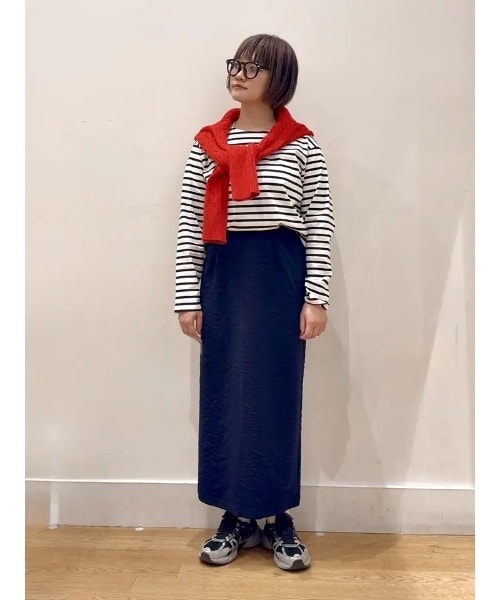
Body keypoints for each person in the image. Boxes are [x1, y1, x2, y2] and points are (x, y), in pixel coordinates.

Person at [174, 33, 335, 571]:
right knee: (225, 395)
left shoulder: (302, 145)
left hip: (279, 278)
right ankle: (235, 517)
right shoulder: (207, 145)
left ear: (278, 78)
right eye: (235, 64)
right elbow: (189, 226)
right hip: (223, 276)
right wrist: (187, 297)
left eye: (253, 67)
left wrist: (316, 297)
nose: (238, 74)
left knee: (277, 396)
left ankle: (278, 518)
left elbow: (319, 223)